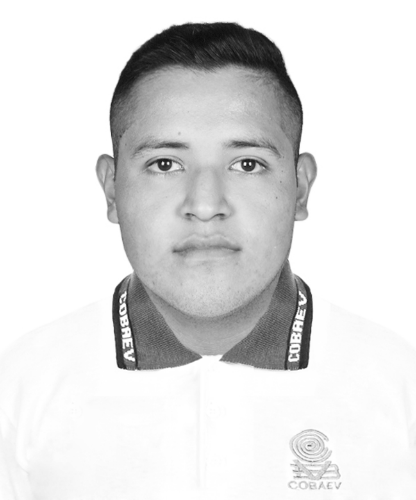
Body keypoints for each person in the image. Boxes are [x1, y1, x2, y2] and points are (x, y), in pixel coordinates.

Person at [0, 22, 415, 500]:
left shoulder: (400, 389)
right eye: (164, 164)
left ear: (300, 188)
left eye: (247, 164)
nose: (204, 204)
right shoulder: (20, 390)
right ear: (112, 190)